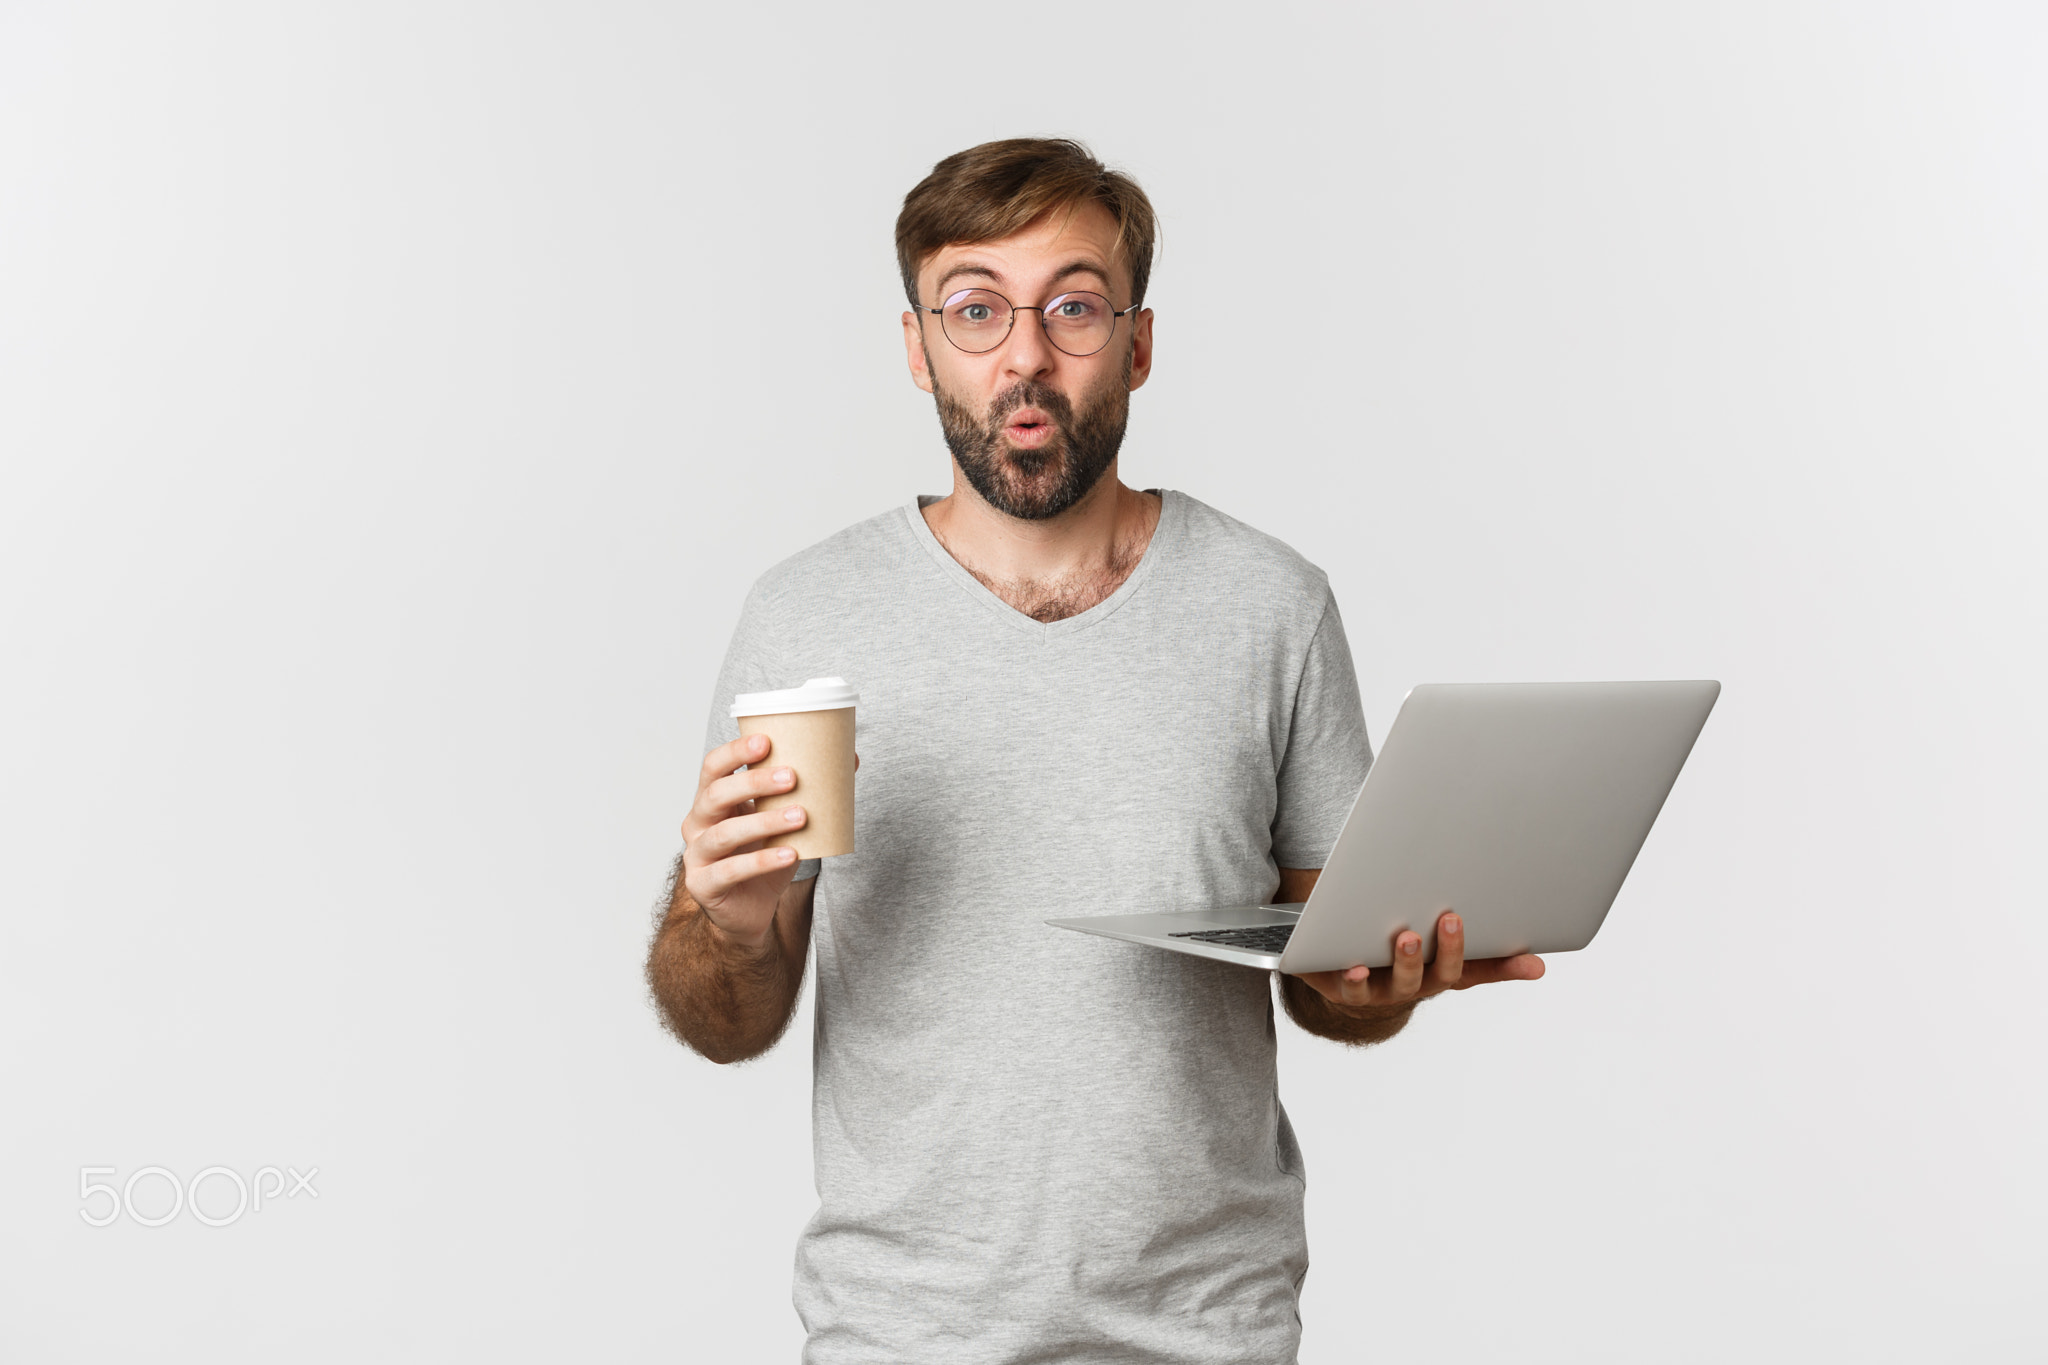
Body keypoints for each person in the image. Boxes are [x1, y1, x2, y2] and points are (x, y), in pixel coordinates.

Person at [645, 137, 1545, 1364]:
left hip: (1206, 1332)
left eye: (1072, 305)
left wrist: (1368, 984)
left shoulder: (1269, 605)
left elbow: (1325, 976)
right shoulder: (806, 617)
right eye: (973, 309)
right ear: (917, 348)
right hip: (899, 1335)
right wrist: (730, 921)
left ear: (1137, 341)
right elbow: (724, 1019)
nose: (1023, 352)